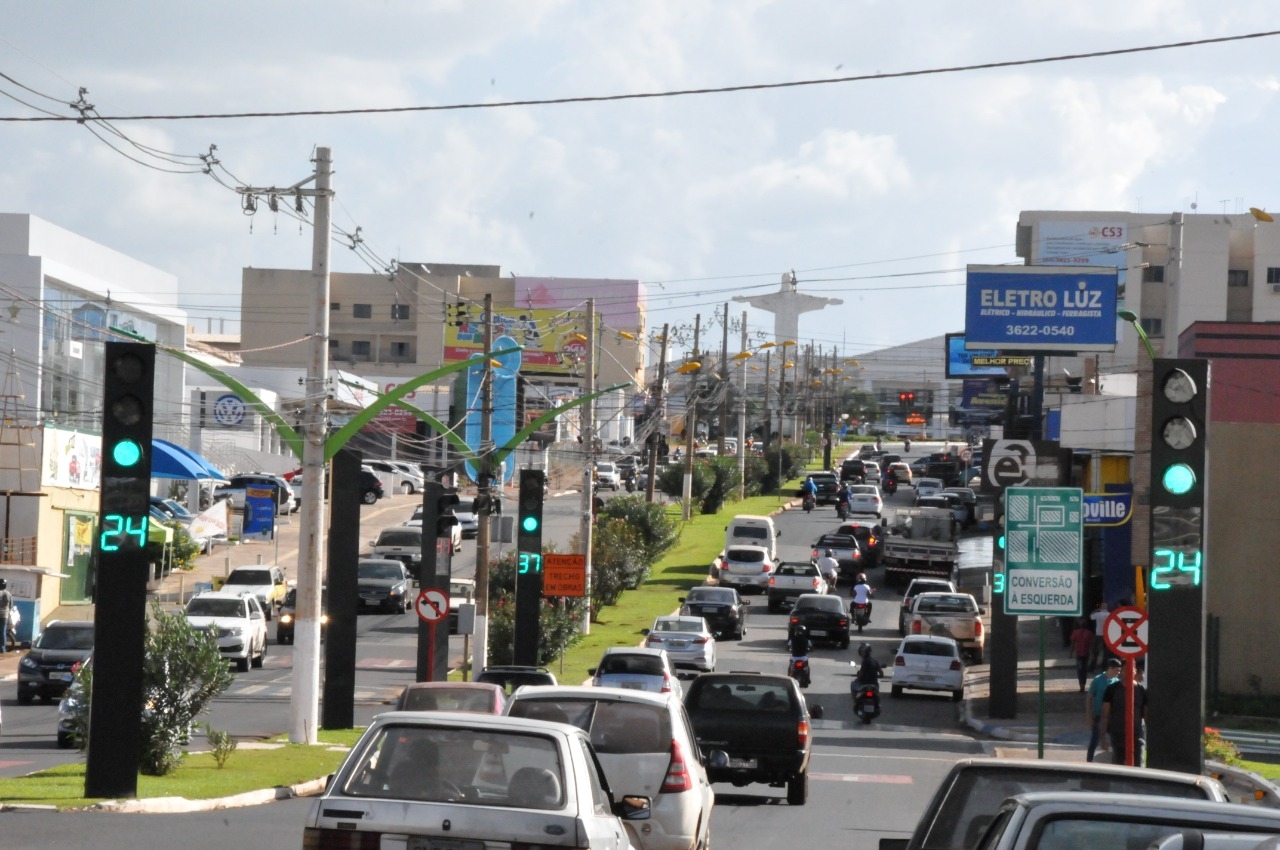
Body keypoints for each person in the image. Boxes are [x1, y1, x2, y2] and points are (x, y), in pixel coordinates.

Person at [1102, 663, 1148, 766]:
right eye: (1125, 669)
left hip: (1136, 734)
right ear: (1122, 671)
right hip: (1117, 734)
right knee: (1119, 767)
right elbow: (1105, 715)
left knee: (1139, 764)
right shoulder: (1112, 689)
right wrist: (1103, 737)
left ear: (1135, 671)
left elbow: (1146, 715)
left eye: (1131, 669)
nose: (1129, 671)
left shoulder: (1141, 690)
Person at [1086, 658, 1121, 762]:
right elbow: (1089, 697)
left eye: (1119, 671)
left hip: (1112, 715)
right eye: (1116, 670)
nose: (1118, 673)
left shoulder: (1117, 682)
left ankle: (1114, 760)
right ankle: (1089, 761)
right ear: (1110, 668)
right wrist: (1089, 715)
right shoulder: (1098, 680)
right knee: (1095, 739)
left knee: (1114, 739)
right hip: (1098, 714)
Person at [1070, 617, 1094, 692]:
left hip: (1079, 653)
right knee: (1084, 670)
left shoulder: (1075, 632)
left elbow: (1073, 644)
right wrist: (1092, 654)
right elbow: (1091, 645)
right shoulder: (1089, 633)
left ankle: (1081, 684)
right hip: (1086, 654)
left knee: (1080, 670)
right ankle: (1083, 684)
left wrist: (1071, 653)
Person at [1089, 601, 1110, 671]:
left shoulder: (1097, 614)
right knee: (1106, 653)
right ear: (1107, 607)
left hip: (1098, 635)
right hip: (1107, 635)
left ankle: (1092, 667)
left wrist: (1097, 610)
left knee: (1096, 652)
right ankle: (1104, 668)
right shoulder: (1110, 614)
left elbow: (1091, 616)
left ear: (1101, 607)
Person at [0, 578, 11, 655]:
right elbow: (11, 605)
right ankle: (3, 649)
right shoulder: (8, 594)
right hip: (5, 615)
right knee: (3, 632)